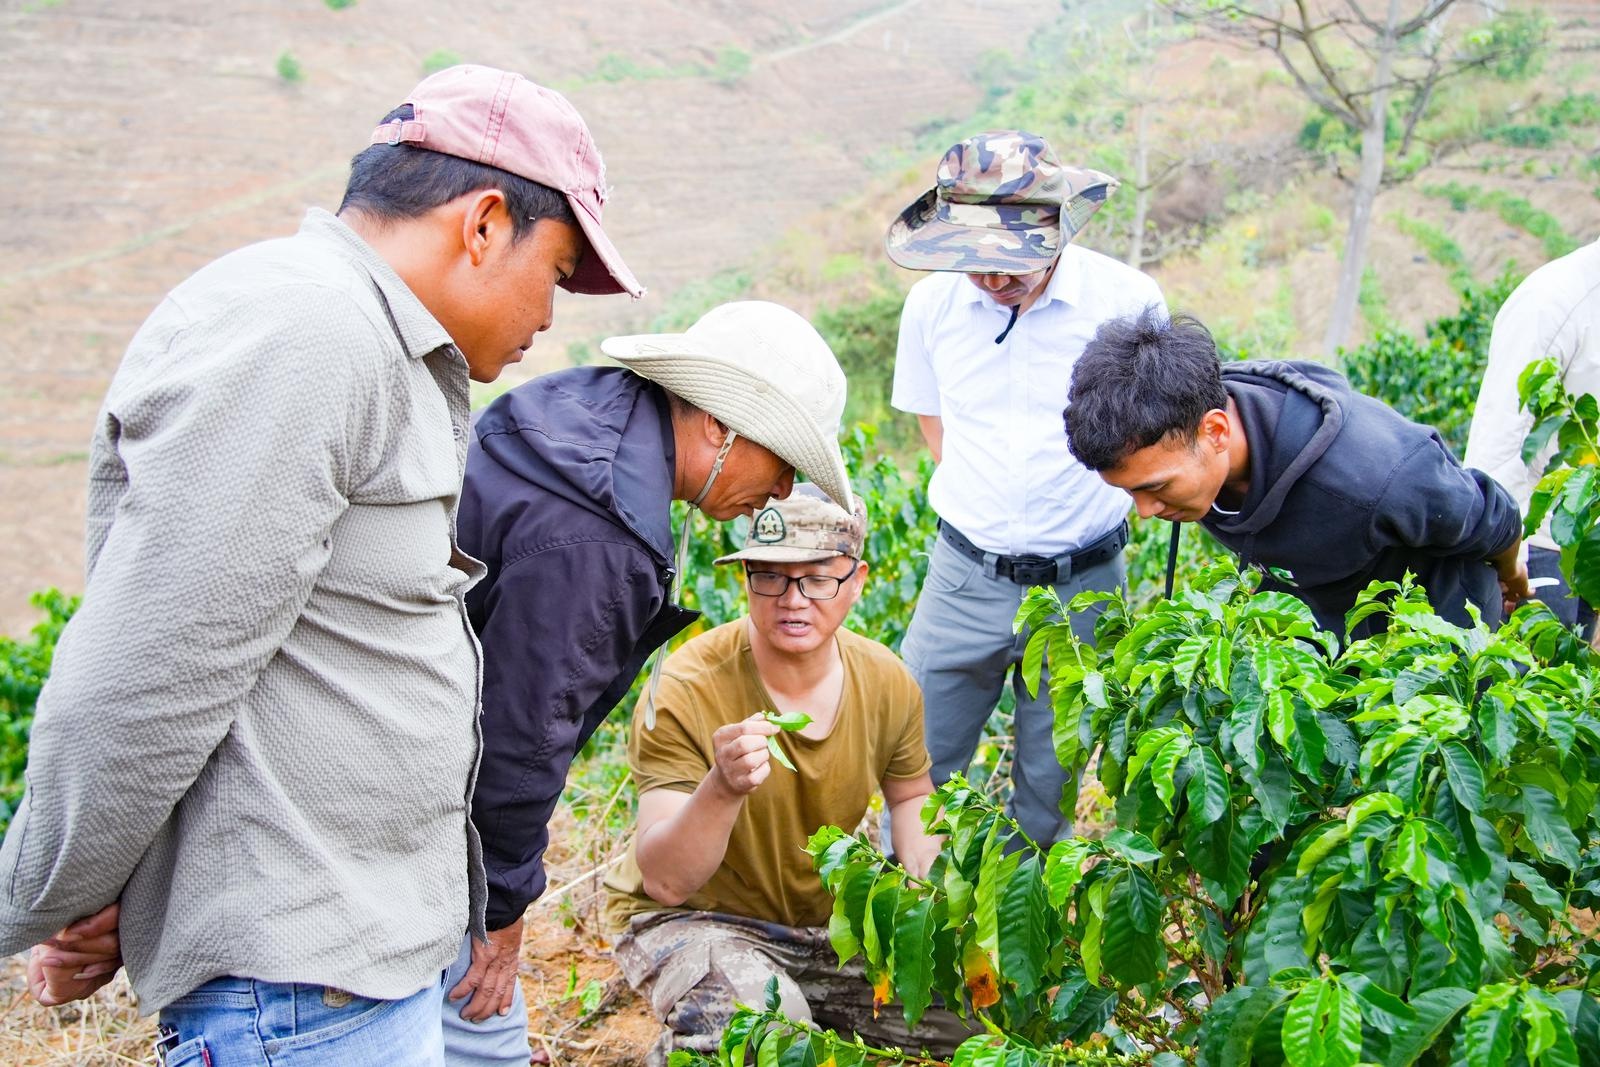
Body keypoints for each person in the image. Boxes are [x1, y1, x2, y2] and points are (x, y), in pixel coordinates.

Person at [0, 63, 641, 1066]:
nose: (551, 317)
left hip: (344, 971)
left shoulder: (373, 346)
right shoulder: (307, 334)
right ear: (482, 223)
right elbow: (148, 676)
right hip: (297, 991)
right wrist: (51, 896)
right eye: (555, 272)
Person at [444, 301, 855, 1064]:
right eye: (783, 462)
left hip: (398, 749)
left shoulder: (583, 413)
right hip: (406, 806)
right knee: (476, 1024)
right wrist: (497, 908)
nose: (780, 492)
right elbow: (523, 736)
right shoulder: (604, 535)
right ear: (718, 426)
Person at [602, 485, 971, 1064]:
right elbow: (667, 882)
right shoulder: (686, 685)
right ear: (746, 578)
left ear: (857, 579)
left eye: (818, 578)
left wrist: (933, 884)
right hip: (697, 918)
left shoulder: (887, 679)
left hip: (826, 928)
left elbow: (911, 798)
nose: (793, 600)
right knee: (773, 1043)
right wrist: (721, 787)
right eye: (769, 577)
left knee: (976, 1025)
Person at [885, 130, 1167, 846]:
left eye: (1010, 263)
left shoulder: (1128, 304)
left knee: (1049, 786)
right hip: (964, 575)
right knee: (917, 765)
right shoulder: (931, 310)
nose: (992, 280)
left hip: (1085, 582)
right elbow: (936, 425)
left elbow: (1160, 437)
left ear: (1058, 233)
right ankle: (909, 928)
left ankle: (1019, 938)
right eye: (975, 264)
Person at [1065, 309, 1530, 636]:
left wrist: (1513, 578)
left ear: (1216, 431)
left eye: (1156, 488)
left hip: (1435, 634)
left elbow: (1493, 517)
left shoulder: (1378, 479)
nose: (1144, 512)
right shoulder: (1187, 423)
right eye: (1131, 493)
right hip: (1327, 616)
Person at [1464, 237, 1600, 635]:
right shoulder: (1554, 300)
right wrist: (1504, 561)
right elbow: (1501, 440)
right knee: (1539, 687)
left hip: (1587, 548)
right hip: (1537, 554)